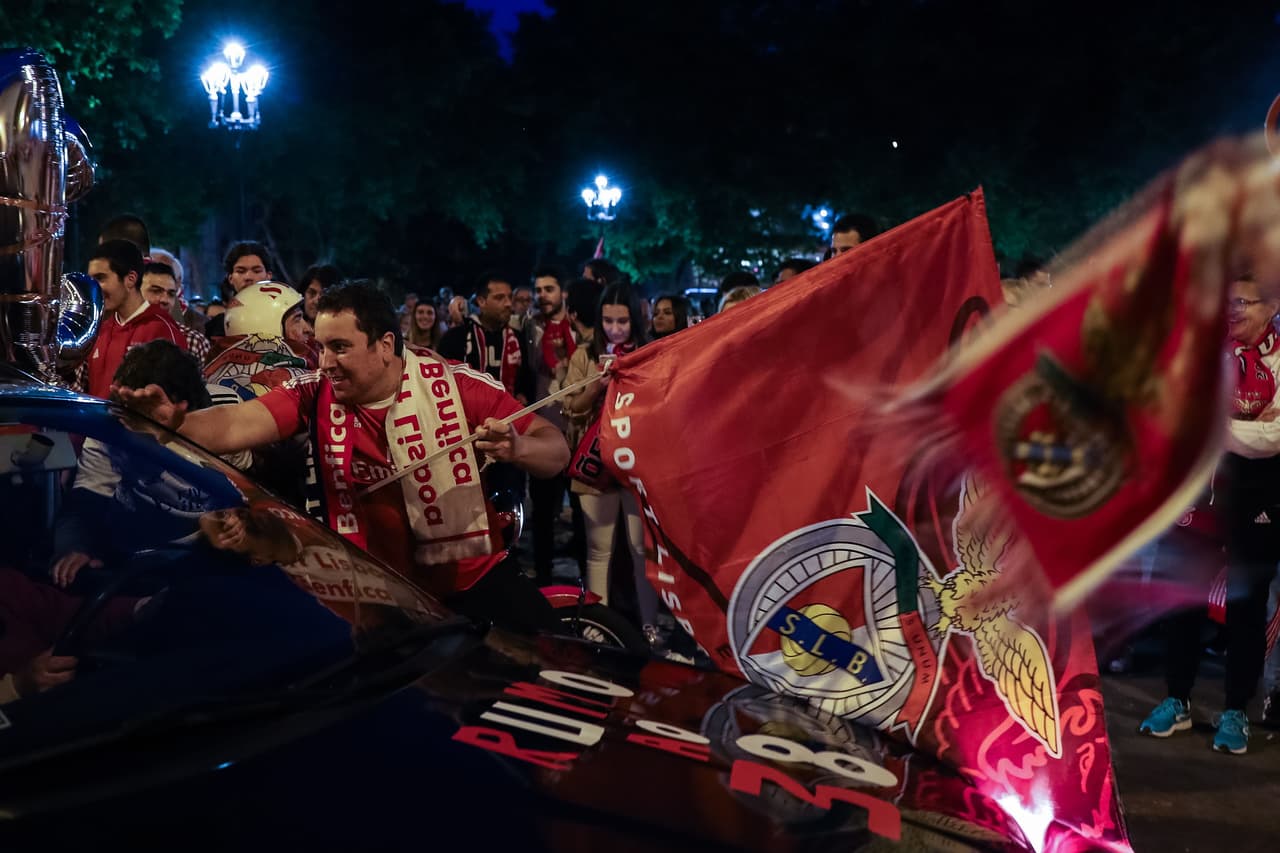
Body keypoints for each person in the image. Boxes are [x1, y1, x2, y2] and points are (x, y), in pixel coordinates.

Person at [116, 282, 570, 634]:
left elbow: (556, 451)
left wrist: (519, 448)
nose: (325, 361)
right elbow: (234, 425)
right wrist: (174, 423)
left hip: (471, 581)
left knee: (551, 672)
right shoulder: (314, 392)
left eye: (340, 347)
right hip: (372, 596)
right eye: (319, 345)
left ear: (386, 345)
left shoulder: (458, 387)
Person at [1140, 275, 1280, 754]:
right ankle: (1175, 700)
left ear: (1272, 304)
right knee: (1181, 600)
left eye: (1244, 301)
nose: (1233, 310)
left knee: (1246, 606)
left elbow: (1276, 439)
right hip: (1196, 495)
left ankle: (1236, 710)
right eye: (1228, 300)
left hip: (1259, 498)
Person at [562, 283, 661, 647]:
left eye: (622, 321)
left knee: (641, 552)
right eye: (608, 321)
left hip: (637, 465)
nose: (615, 329)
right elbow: (569, 406)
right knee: (598, 551)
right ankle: (596, 623)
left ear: (635, 319)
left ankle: (649, 625)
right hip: (595, 465)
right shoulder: (585, 354)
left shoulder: (650, 351)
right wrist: (596, 385)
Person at [83, 240, 187, 398]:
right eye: (92, 280)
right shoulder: (99, 332)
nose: (94, 287)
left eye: (101, 278)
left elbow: (178, 400)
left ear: (130, 279)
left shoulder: (162, 328)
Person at [141, 260, 211, 363]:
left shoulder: (193, 341)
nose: (165, 300)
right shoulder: (115, 334)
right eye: (156, 291)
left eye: (171, 294)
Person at [204, 241, 275, 339]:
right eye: (241, 271)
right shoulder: (217, 326)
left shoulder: (286, 318)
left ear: (268, 276)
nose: (248, 277)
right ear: (230, 278)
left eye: (256, 271)